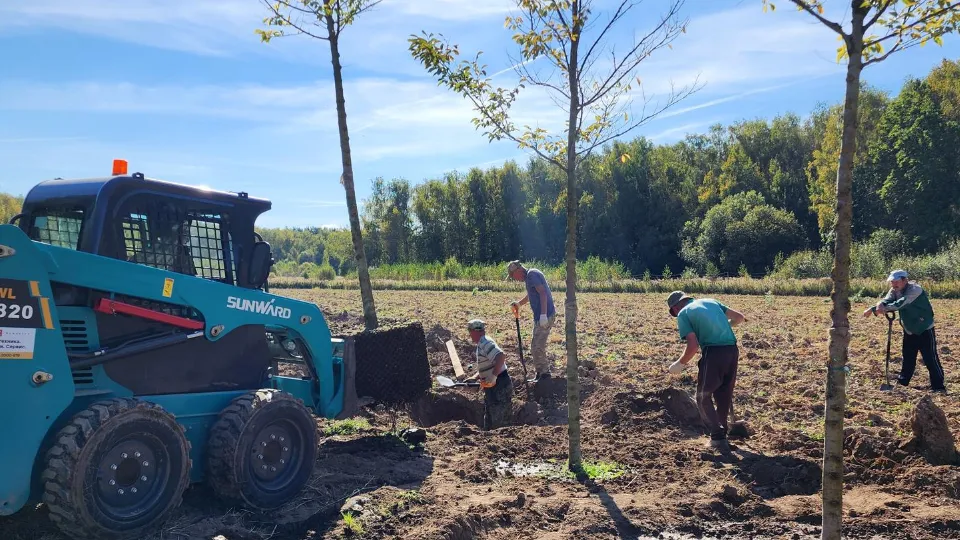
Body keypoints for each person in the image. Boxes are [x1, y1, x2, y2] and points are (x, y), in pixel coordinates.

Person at [666, 291, 746, 451]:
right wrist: (721, 326)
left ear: (675, 308)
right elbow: (739, 318)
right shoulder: (711, 302)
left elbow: (693, 345)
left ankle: (717, 437)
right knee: (723, 395)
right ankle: (722, 434)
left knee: (703, 397)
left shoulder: (683, 313)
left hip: (713, 353)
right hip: (732, 351)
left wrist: (680, 363)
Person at [862, 269, 946, 393]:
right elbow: (888, 300)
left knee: (930, 358)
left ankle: (938, 387)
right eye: (892, 282)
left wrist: (875, 309)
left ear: (905, 280)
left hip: (924, 327)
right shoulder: (894, 290)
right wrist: (880, 304)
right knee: (908, 356)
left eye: (896, 282)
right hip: (909, 328)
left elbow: (900, 304)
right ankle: (903, 383)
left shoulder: (915, 290)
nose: (894, 284)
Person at [507, 260, 555, 380]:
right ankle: (540, 373)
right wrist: (519, 303)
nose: (515, 279)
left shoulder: (532, 275)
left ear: (518, 271)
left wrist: (543, 315)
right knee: (535, 345)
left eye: (514, 276)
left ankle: (545, 374)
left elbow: (543, 293)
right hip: (540, 316)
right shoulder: (529, 277)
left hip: (545, 315)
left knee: (538, 346)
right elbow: (531, 294)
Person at [467, 318, 513, 430]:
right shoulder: (482, 343)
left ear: (475, 331)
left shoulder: (485, 342)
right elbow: (489, 364)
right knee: (489, 421)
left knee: (500, 422)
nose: (469, 334)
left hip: (499, 384)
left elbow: (500, 356)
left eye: (470, 331)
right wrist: (474, 377)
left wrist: (493, 377)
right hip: (491, 386)